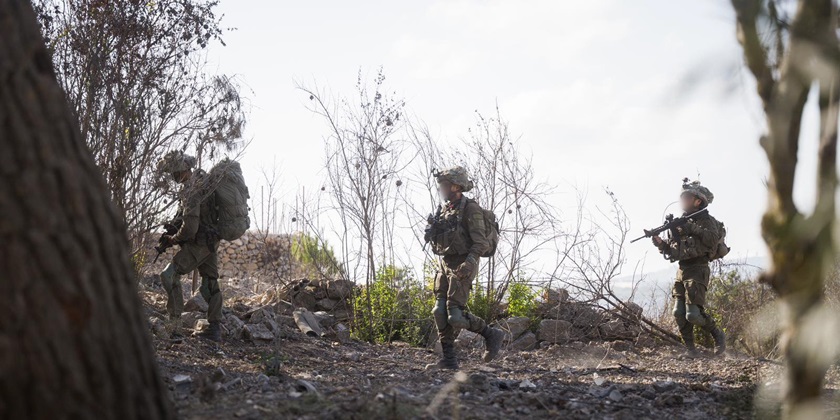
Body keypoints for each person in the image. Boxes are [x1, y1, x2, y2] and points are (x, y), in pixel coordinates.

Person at [424, 166, 505, 370]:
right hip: (445, 264)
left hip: (464, 264)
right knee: (438, 311)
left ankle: (491, 333)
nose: (441, 188)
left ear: (456, 186)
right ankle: (449, 360)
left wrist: (469, 263)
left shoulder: (471, 209)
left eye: (444, 185)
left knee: (456, 316)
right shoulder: (446, 209)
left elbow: (481, 243)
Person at [652, 179, 726, 356]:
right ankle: (691, 350)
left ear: (698, 201)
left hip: (698, 269)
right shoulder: (680, 223)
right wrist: (661, 244)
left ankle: (718, 335)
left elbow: (711, 240)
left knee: (693, 314)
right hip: (682, 270)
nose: (683, 200)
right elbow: (673, 252)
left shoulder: (707, 221)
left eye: (687, 197)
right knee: (678, 312)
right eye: (682, 197)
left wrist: (689, 226)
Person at [157, 151, 223, 342]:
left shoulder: (192, 189)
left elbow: (191, 228)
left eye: (173, 173)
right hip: (211, 240)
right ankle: (214, 329)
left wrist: (174, 239)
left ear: (180, 171)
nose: (173, 177)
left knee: (169, 275)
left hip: (199, 243)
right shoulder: (203, 182)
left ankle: (175, 327)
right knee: (210, 281)